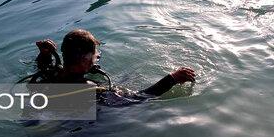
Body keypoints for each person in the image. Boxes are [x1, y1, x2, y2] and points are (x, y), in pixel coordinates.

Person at [30, 29, 196, 99]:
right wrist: (172, 78)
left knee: (127, 79)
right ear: (85, 60)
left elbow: (42, 67)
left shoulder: (52, 73)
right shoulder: (93, 91)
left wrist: (44, 55)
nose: (97, 59)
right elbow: (139, 98)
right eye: (96, 56)